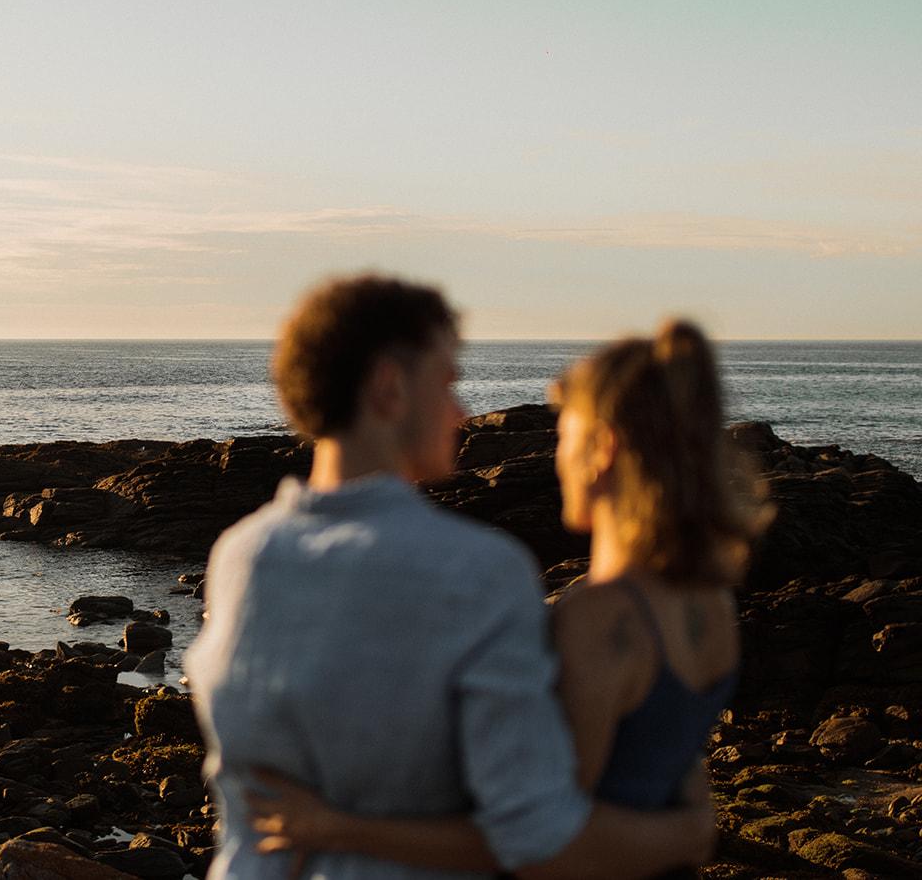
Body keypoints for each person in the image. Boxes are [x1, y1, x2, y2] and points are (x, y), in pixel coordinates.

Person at [184, 275, 721, 880]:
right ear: (389, 388)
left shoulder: (239, 555)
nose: (462, 411)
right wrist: (688, 831)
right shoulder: (477, 571)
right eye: (448, 382)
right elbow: (537, 836)